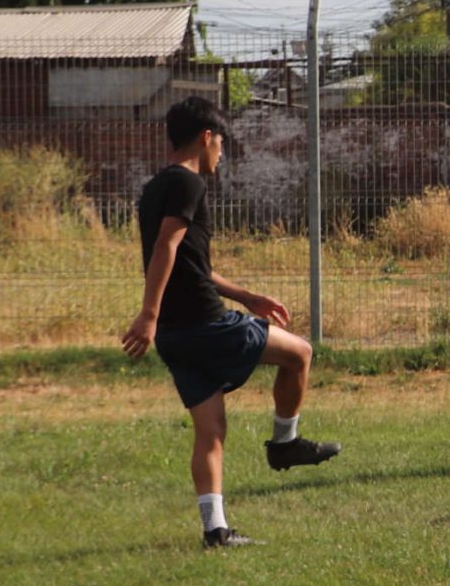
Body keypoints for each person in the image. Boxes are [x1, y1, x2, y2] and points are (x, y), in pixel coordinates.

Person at [121, 98, 339, 549]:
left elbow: (191, 264)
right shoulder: (189, 182)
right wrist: (147, 313)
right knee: (300, 353)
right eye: (221, 143)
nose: (221, 153)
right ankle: (285, 443)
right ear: (206, 137)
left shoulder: (154, 188)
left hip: (176, 336)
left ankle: (215, 530)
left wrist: (247, 296)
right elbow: (165, 247)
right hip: (204, 325)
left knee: (210, 432)